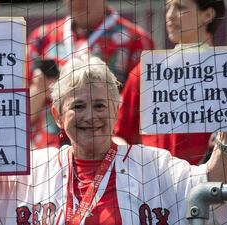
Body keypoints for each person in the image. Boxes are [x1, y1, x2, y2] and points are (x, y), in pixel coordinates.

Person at [0, 55, 227, 225]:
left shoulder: (154, 164)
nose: (91, 116)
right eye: (78, 106)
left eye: (100, 105)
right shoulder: (32, 166)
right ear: (58, 116)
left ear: (117, 110)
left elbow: (214, 183)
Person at [115, 0, 227, 224]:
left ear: (208, 14)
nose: (170, 15)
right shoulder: (146, 71)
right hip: (162, 201)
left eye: (180, 7)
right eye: (168, 7)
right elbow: (118, 135)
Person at [28, 0, 155, 149]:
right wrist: (40, 89)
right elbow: (18, 116)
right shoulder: (42, 38)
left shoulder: (136, 40)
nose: (77, 2)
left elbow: (144, 114)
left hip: (108, 154)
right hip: (48, 154)